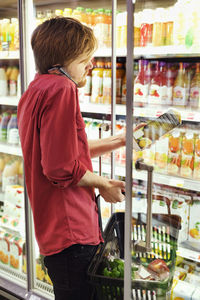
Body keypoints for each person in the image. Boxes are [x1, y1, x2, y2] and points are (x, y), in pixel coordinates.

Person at [17, 17, 127, 300]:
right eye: (85, 58)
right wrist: (104, 184)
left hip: (55, 232)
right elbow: (60, 166)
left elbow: (63, 150)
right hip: (73, 232)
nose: (90, 65)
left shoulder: (35, 89)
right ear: (64, 59)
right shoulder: (63, 88)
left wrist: (120, 140)